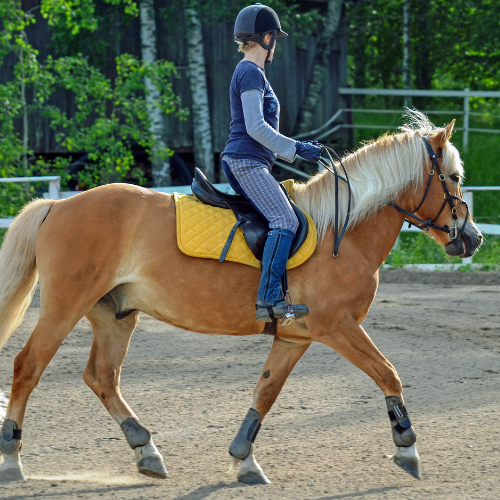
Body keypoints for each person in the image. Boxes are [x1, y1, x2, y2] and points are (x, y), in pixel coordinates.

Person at [221, 3, 322, 323]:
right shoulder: (250, 71)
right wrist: (295, 148)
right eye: (274, 38)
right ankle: (268, 299)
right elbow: (255, 126)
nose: (274, 44)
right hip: (246, 162)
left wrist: (293, 149)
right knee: (285, 221)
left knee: (285, 217)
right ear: (266, 38)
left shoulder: (251, 72)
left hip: (252, 161)